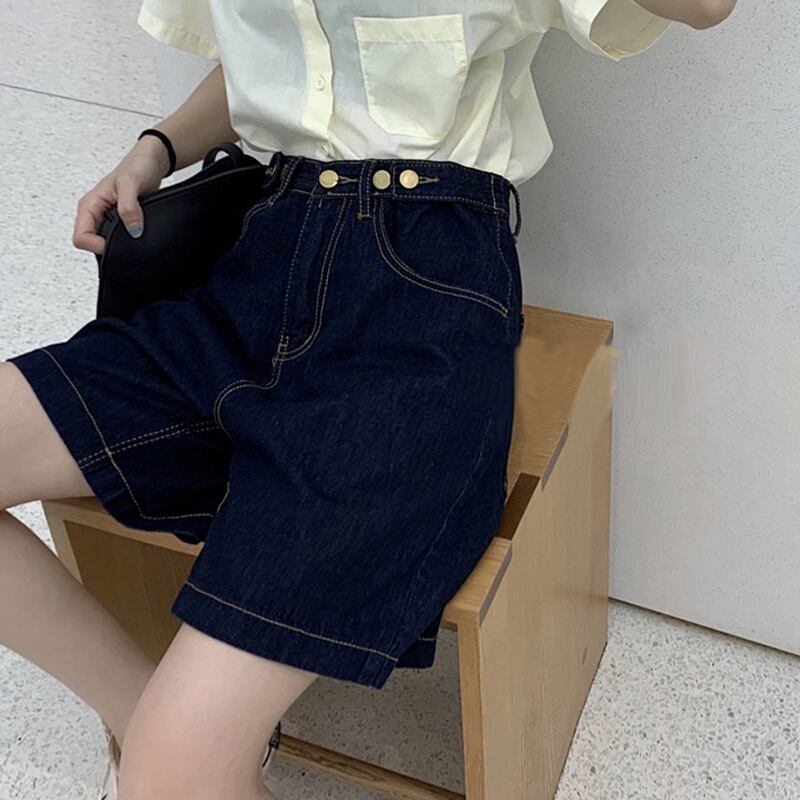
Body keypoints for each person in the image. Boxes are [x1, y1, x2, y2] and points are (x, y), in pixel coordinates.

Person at [1, 1, 735, 798]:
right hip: (254, 268)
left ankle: (172, 754)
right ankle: (147, 721)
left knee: (168, 777)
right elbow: (282, 56)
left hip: (419, 300)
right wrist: (158, 147)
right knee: (169, 763)